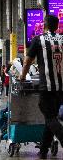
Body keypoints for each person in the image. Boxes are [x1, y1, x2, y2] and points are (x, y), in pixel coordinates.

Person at [20, 15, 63, 159]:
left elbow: (27, 62)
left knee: (50, 117)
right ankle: (43, 150)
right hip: (61, 88)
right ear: (57, 26)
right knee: (51, 118)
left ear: (44, 25)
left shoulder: (38, 40)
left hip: (47, 87)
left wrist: (22, 77)